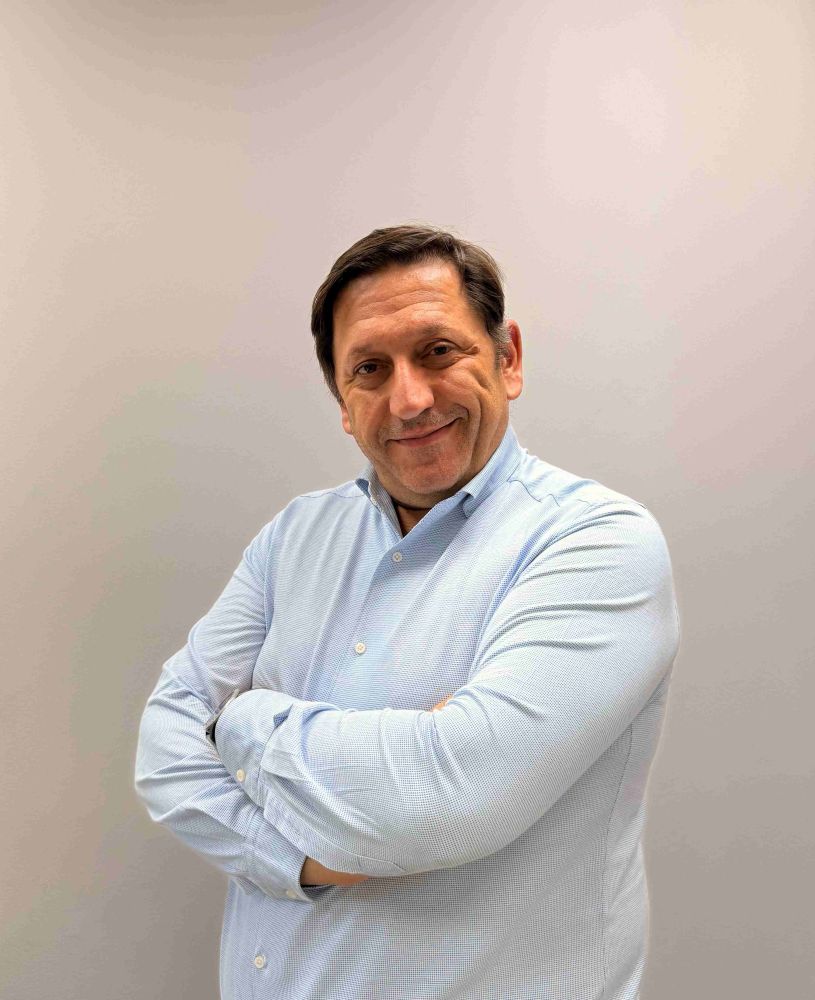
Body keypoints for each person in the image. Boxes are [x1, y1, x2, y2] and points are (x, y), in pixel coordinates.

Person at [135, 224, 681, 1000]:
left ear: (508, 358)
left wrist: (241, 723)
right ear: (342, 402)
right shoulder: (295, 537)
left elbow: (446, 801)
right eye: (370, 368)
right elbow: (164, 749)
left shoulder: (596, 543)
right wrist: (297, 859)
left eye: (437, 351)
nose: (411, 398)